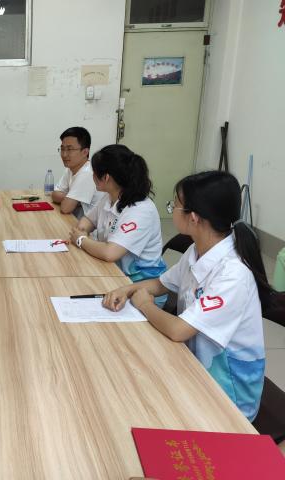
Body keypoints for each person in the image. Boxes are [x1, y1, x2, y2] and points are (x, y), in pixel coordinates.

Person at [102, 171, 272, 421]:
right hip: (192, 363)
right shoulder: (198, 249)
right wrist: (126, 290)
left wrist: (145, 305)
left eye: (175, 205)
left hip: (227, 394)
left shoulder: (233, 274)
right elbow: (161, 283)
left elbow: (178, 330)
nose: (171, 210)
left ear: (193, 218)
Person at [69, 145, 166, 297]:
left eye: (94, 172)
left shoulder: (141, 210)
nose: (92, 176)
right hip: (113, 274)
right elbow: (88, 220)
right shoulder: (110, 197)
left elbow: (110, 253)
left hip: (139, 289)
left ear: (106, 177)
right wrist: (82, 231)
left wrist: (81, 240)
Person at [51, 126, 104, 219]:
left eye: (70, 149)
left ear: (85, 152)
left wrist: (70, 198)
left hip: (88, 226)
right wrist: (73, 198)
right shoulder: (71, 168)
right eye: (62, 149)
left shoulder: (88, 172)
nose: (64, 154)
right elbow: (55, 194)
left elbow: (65, 208)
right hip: (75, 219)